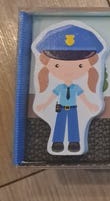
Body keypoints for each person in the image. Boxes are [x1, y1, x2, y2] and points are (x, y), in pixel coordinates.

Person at [34, 23, 105, 154]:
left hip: (73, 108)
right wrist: (44, 104)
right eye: (57, 65)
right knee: (59, 124)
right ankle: (57, 142)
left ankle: (74, 142)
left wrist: (90, 105)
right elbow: (52, 96)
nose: (68, 71)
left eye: (79, 66)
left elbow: (82, 97)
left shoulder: (76, 87)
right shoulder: (59, 87)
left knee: (74, 124)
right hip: (60, 108)